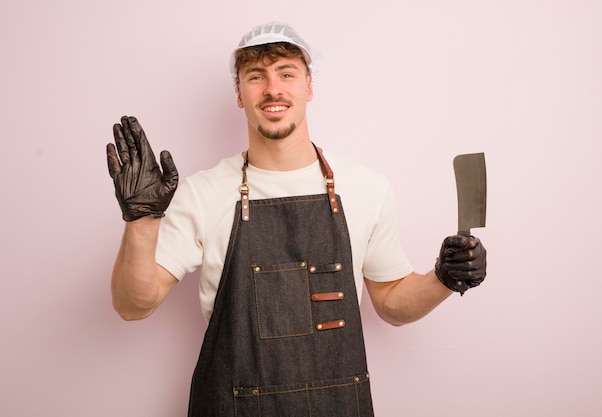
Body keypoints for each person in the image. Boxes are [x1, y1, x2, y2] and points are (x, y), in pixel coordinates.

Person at [106, 21, 486, 417]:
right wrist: (141, 219)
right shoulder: (203, 194)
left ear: (309, 86)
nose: (273, 88)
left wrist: (443, 278)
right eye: (256, 76)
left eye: (286, 73)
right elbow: (134, 305)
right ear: (239, 94)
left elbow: (391, 302)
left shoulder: (365, 187)